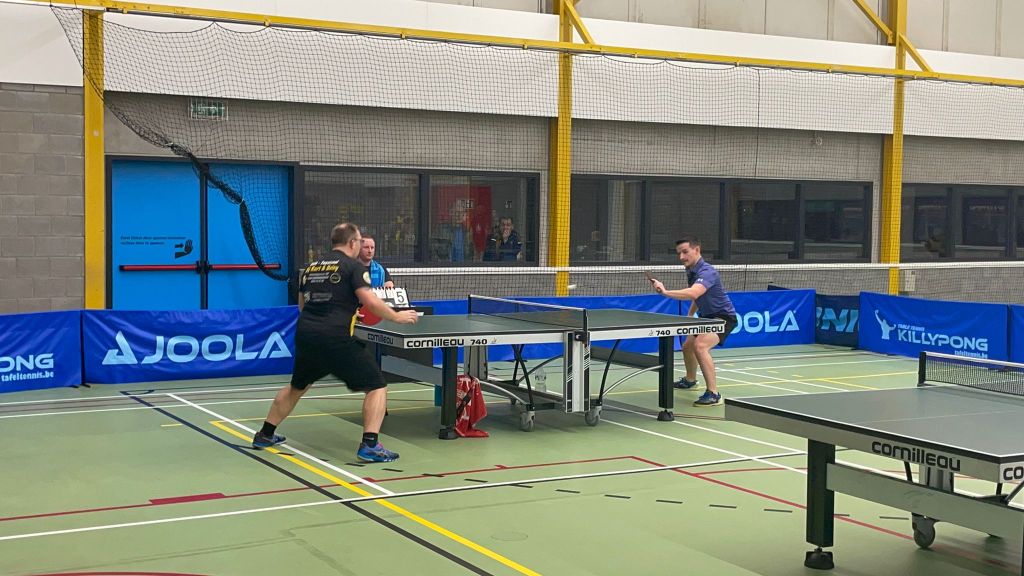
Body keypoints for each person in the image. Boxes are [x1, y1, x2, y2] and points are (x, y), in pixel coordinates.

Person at [252, 223, 419, 462]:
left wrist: (343, 313)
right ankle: (370, 445)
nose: (361, 246)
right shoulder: (353, 267)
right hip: (336, 338)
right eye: (359, 241)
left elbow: (303, 305)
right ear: (352, 243)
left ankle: (265, 434)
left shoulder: (311, 268)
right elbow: (370, 300)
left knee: (297, 387)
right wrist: (397, 316)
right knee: (376, 386)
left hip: (307, 334)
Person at [648, 235, 738, 407]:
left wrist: (665, 292)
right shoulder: (691, 270)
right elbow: (698, 297)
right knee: (687, 346)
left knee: (700, 346)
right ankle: (690, 380)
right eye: (679, 253)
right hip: (706, 318)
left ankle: (714, 394)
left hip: (723, 318)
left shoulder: (707, 271)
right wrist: (690, 316)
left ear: (697, 250)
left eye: (685, 252)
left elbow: (694, 293)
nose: (681, 257)